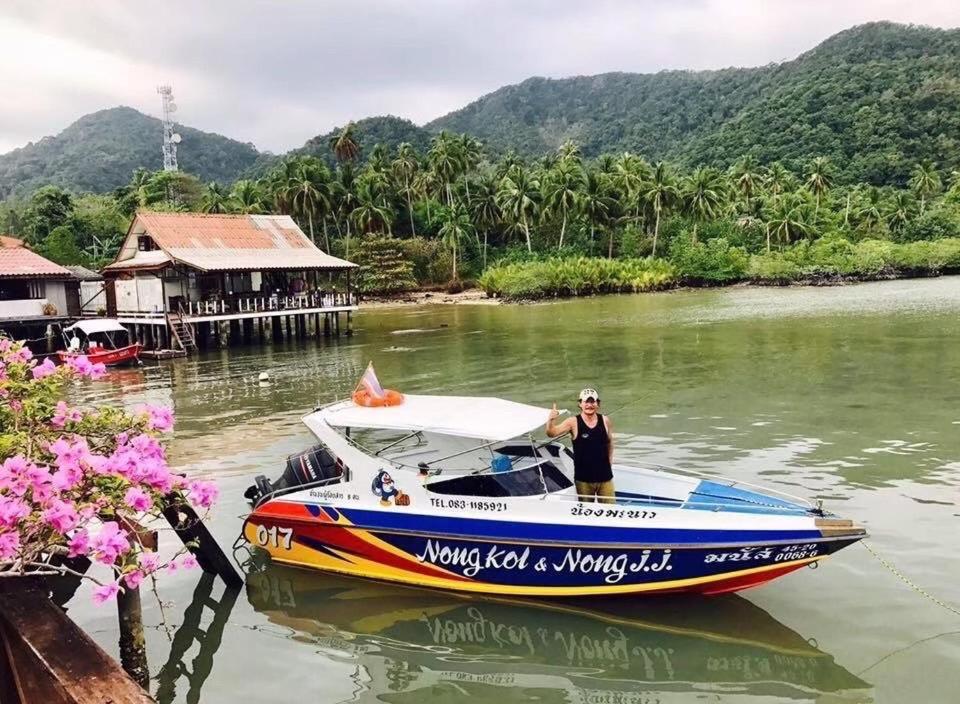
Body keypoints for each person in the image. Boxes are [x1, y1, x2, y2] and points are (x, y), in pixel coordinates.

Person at [545, 388, 615, 504]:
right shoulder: (572, 422)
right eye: (586, 402)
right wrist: (551, 419)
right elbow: (551, 433)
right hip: (584, 480)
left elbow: (610, 443)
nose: (589, 405)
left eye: (593, 401)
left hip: (605, 478)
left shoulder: (605, 420)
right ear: (580, 404)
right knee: (586, 513)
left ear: (598, 404)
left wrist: (610, 462)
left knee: (610, 511)